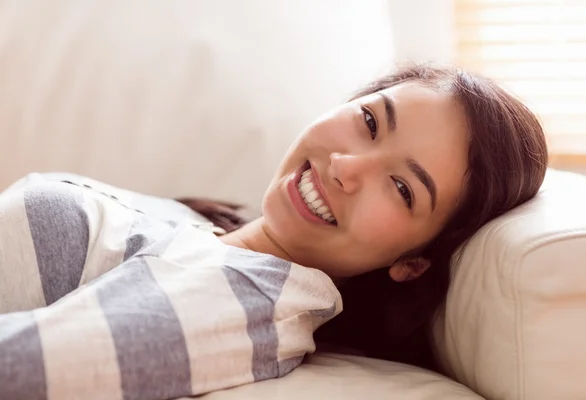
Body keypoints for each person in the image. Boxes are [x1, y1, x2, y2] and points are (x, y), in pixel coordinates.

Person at [0, 64, 547, 399]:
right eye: (371, 122)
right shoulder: (212, 233)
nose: (346, 165)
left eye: (403, 189)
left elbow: (21, 369)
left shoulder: (244, 299)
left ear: (413, 263)